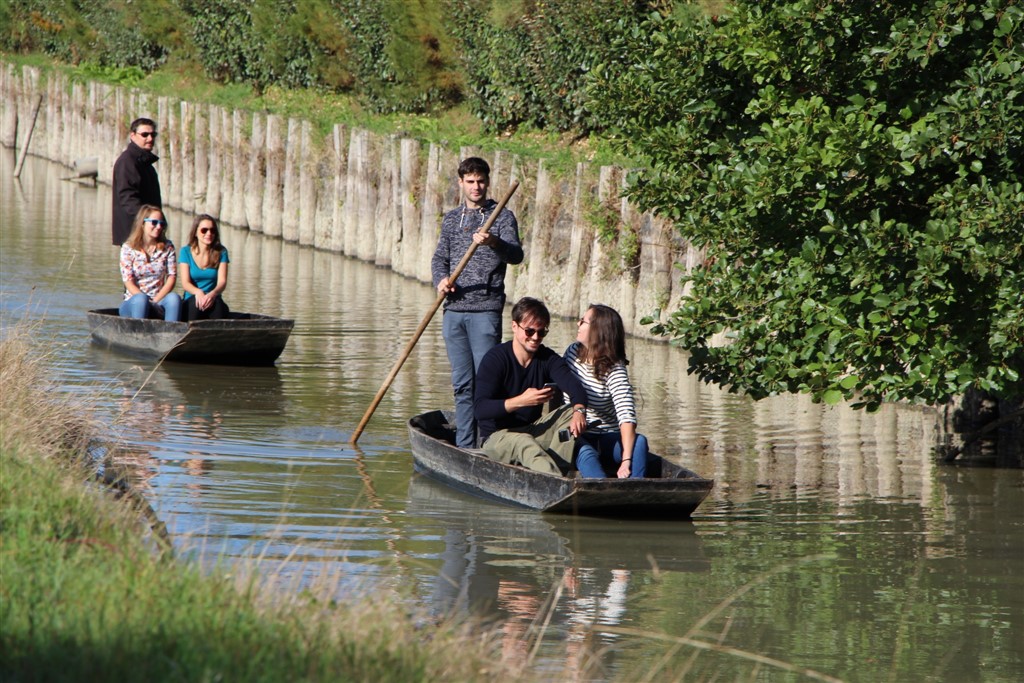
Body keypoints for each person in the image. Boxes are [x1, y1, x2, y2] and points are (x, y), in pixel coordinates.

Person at [431, 157, 524, 448]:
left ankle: (489, 444)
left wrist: (493, 242)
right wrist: (441, 280)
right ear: (461, 183)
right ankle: (464, 445)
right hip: (454, 311)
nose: (476, 187)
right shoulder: (450, 219)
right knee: (462, 384)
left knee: (486, 383)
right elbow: (439, 259)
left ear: (487, 181)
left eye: (480, 181)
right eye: (470, 181)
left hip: (485, 310)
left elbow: (516, 256)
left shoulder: (502, 217)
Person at [474, 297, 589, 475]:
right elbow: (480, 409)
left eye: (541, 332)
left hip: (532, 430)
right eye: (529, 331)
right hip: (497, 437)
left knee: (568, 412)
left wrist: (579, 410)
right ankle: (555, 481)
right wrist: (520, 401)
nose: (535, 338)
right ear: (514, 326)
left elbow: (575, 388)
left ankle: (559, 468)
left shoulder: (547, 358)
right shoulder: (495, 359)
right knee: (524, 442)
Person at [563, 304, 649, 478]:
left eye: (583, 321)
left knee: (639, 442)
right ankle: (602, 494)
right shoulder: (572, 353)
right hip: (577, 435)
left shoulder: (614, 369)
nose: (578, 324)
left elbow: (626, 416)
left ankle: (634, 490)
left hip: (607, 437)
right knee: (586, 453)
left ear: (597, 331)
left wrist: (626, 461)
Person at [118, 205, 181, 321]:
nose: (158, 227)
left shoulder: (168, 247)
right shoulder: (128, 248)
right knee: (141, 300)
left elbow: (171, 277)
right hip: (134, 301)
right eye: (154, 222)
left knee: (174, 299)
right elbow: (128, 281)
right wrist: (145, 300)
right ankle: (138, 334)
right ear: (143, 223)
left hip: (158, 300)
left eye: (162, 224)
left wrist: (155, 300)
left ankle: (171, 333)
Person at [112, 117, 162, 246]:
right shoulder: (127, 162)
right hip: (134, 235)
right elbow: (127, 199)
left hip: (149, 232)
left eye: (153, 134)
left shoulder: (145, 163)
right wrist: (149, 220)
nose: (150, 139)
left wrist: (156, 223)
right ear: (132, 136)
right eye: (145, 134)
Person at [178, 214, 231, 321]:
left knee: (219, 309)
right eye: (204, 230)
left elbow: (222, 282)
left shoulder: (222, 252)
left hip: (213, 297)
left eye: (212, 230)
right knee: (195, 308)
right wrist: (198, 292)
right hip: (192, 297)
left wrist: (213, 294)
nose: (209, 233)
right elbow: (185, 283)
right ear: (196, 232)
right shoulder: (185, 251)